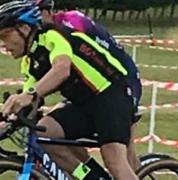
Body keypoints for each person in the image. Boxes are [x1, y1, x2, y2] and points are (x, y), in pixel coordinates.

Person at [0, 1, 140, 180]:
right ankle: (89, 176)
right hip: (84, 104)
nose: (3, 45)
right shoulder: (29, 63)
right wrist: (8, 119)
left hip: (111, 93)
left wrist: (29, 95)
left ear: (24, 28)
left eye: (4, 36)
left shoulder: (53, 36)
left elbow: (61, 69)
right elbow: (30, 104)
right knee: (45, 133)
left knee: (114, 160)